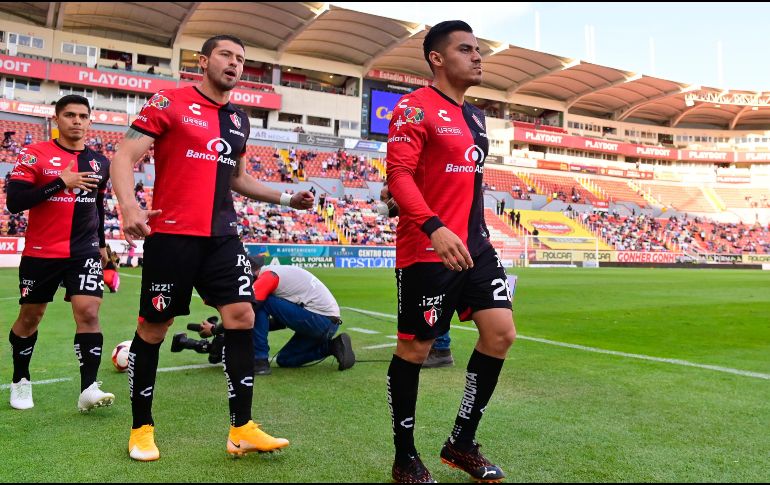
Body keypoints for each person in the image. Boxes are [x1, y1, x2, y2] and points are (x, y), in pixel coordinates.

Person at [110, 34, 314, 462]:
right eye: (226, 55)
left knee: (241, 315)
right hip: (173, 237)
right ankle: (141, 429)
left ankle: (241, 428)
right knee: (154, 329)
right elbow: (123, 155)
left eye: (241, 58)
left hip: (223, 237)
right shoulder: (169, 102)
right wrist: (129, 206)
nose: (235, 63)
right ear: (203, 61)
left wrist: (284, 198)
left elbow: (238, 178)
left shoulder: (239, 119)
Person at [385, 21, 515, 483]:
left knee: (500, 333)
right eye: (466, 49)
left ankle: (461, 443)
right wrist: (434, 225)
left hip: (475, 244)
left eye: (479, 49)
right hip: (427, 246)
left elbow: (462, 182)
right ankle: (405, 457)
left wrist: (466, 231)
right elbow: (398, 176)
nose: (478, 57)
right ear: (437, 59)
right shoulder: (412, 107)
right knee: (415, 349)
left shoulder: (477, 117)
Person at [5, 94, 115, 412]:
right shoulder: (35, 154)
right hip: (42, 253)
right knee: (31, 317)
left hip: (83, 252)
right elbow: (15, 201)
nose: (76, 121)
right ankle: (21, 380)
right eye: (70, 115)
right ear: (57, 120)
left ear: (90, 121)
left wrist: (102, 243)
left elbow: (96, 206)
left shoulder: (99, 163)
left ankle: (88, 389)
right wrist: (60, 183)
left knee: (89, 313)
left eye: (82, 116)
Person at [172, 255, 355, 375]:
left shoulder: (268, 276)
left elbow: (248, 311)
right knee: (285, 360)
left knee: (259, 304)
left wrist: (215, 330)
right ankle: (333, 346)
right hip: (323, 324)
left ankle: (259, 361)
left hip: (320, 321)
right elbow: (279, 323)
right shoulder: (276, 274)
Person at [380, 181, 454, 369]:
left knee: (432, 301)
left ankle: (441, 348)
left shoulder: (414, 184)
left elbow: (392, 209)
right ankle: (437, 346)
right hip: (426, 243)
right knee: (434, 301)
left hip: (424, 246)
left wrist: (389, 199)